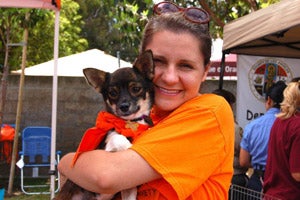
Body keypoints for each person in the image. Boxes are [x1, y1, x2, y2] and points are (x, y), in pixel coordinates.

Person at [58, 1, 235, 199]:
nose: (169, 77)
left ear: (205, 72)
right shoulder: (144, 121)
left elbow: (105, 176)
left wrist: (67, 162)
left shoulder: (210, 112)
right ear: (142, 65)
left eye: (185, 65)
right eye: (158, 61)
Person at [239, 81, 287, 193]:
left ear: (269, 100)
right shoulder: (292, 126)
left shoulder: (252, 126)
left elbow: (243, 161)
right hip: (284, 183)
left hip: (257, 182)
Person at [263, 80, 300, 199]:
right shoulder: (297, 125)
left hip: (272, 193)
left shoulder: (280, 120)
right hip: (290, 195)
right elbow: (297, 174)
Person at [212, 89, 248, 199]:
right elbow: (241, 150)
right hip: (234, 175)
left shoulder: (204, 123)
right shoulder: (234, 128)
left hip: (212, 176)